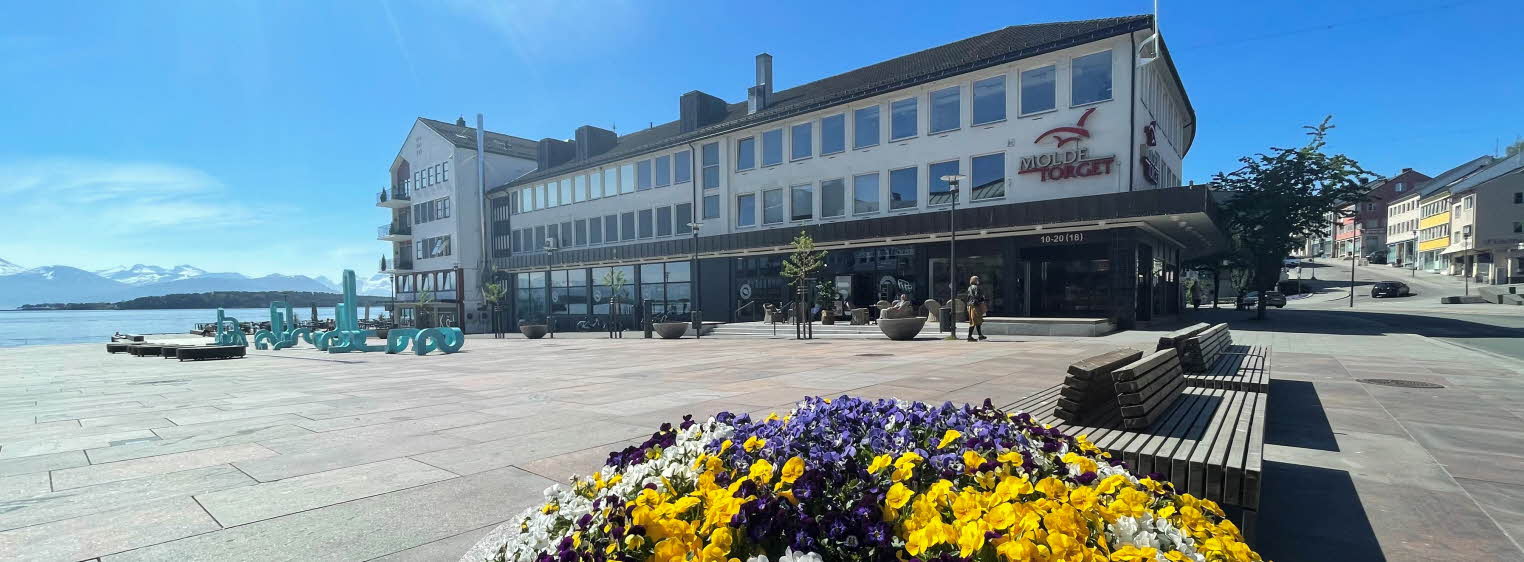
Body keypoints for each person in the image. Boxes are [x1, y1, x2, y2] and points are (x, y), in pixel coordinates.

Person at [966, 275, 987, 341]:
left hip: (970, 305)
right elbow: (976, 296)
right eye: (977, 279)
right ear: (975, 280)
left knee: (977, 321)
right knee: (974, 321)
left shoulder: (969, 287)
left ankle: (980, 335)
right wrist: (982, 299)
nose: (978, 281)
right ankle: (969, 337)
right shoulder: (976, 287)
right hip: (975, 305)